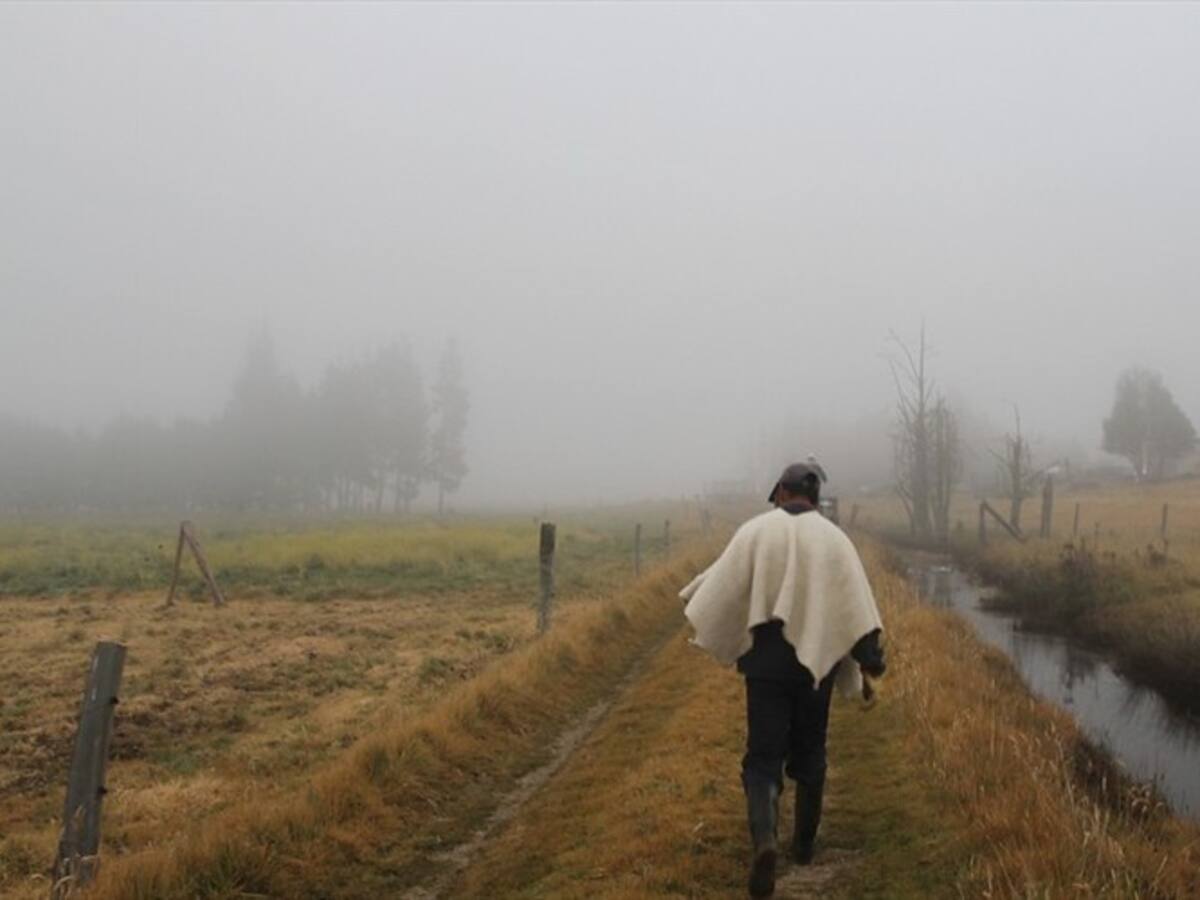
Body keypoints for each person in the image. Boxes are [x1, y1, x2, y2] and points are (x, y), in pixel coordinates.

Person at [679, 461, 885, 898]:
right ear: (813, 496)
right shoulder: (835, 539)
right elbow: (856, 605)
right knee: (811, 753)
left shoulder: (754, 532)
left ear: (781, 492)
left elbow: (723, 583)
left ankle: (765, 841)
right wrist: (870, 660)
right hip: (818, 667)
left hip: (765, 665)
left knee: (762, 757)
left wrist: (699, 601)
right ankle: (805, 847)